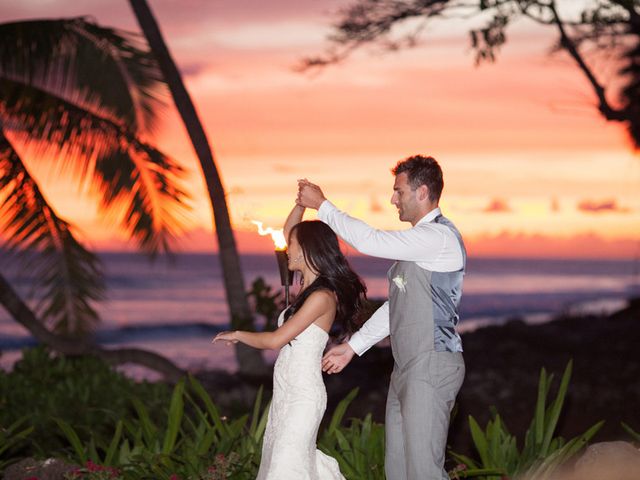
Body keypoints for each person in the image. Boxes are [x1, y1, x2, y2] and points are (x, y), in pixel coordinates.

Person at [297, 155, 466, 480]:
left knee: (423, 474)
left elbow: (370, 240)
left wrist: (323, 206)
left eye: (398, 191)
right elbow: (396, 307)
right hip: (406, 369)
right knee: (398, 472)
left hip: (431, 365)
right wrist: (352, 347)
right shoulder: (418, 247)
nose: (392, 199)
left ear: (422, 192)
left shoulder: (439, 238)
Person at [212, 203, 367, 480]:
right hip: (286, 393)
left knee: (286, 469)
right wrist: (300, 205)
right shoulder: (308, 288)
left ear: (308, 250)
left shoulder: (322, 297)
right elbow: (289, 230)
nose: (287, 248)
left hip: (302, 397)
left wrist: (238, 334)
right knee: (283, 466)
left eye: (292, 245)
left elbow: (275, 340)